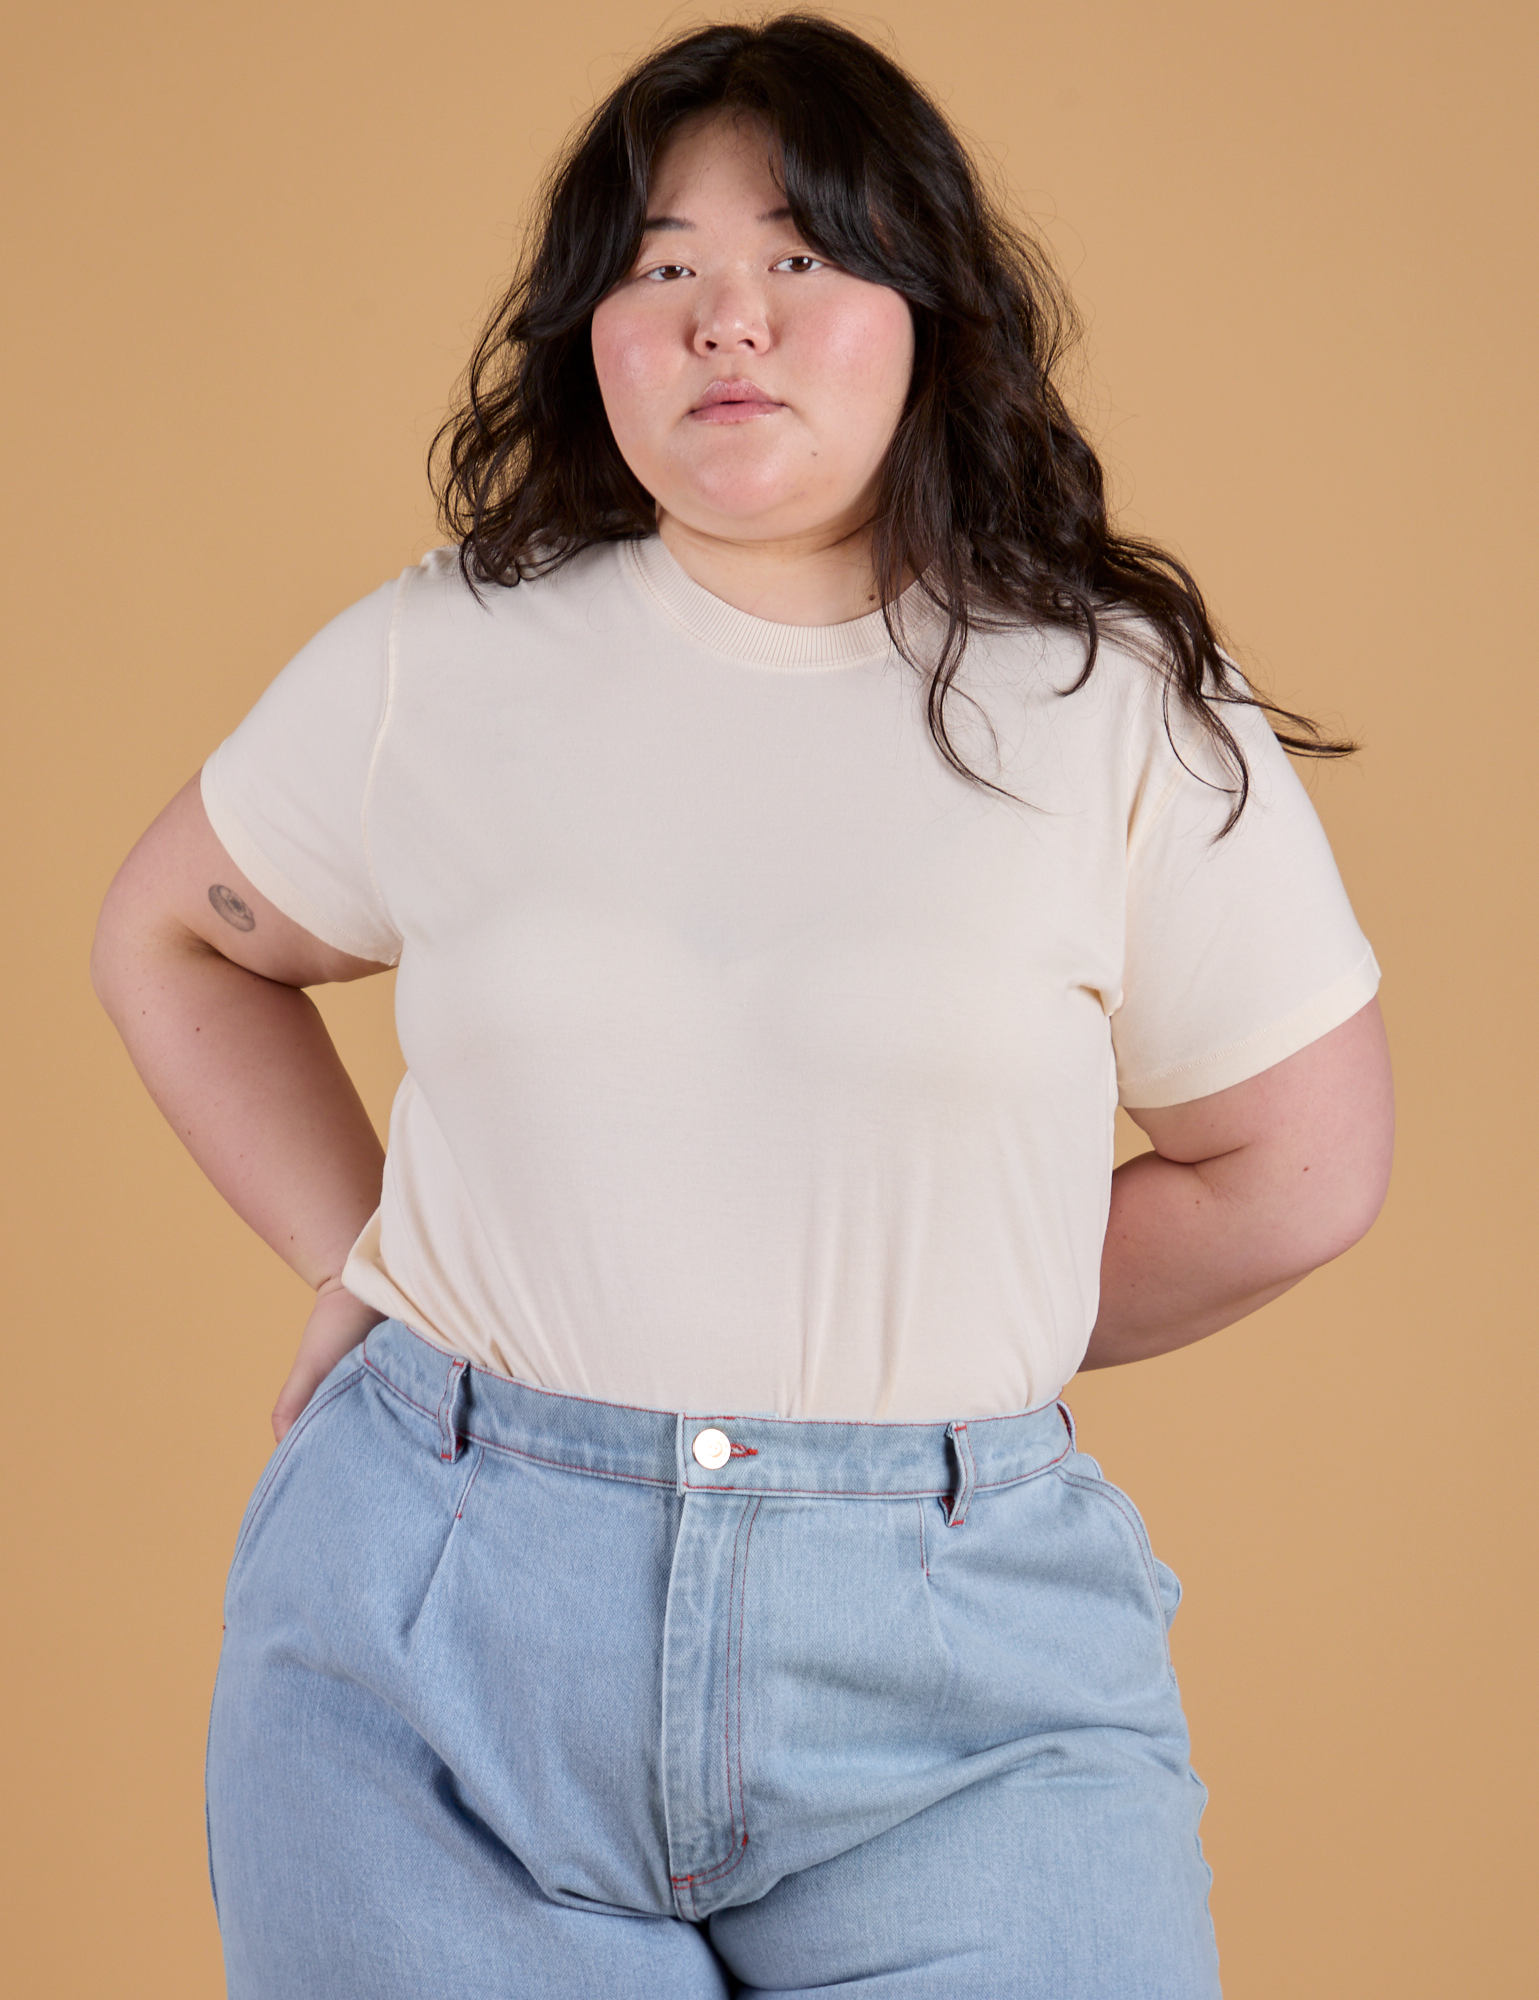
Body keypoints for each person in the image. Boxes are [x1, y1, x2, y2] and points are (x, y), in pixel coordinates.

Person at [91, 15, 1393, 1997]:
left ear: (928, 308)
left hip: (958, 1675)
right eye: (661, 266)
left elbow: (1296, 1169)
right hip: (429, 1631)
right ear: (588, 335)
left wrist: (956, 1310)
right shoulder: (441, 657)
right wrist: (356, 1252)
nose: (728, 317)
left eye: (800, 254)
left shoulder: (1105, 698)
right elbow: (175, 933)